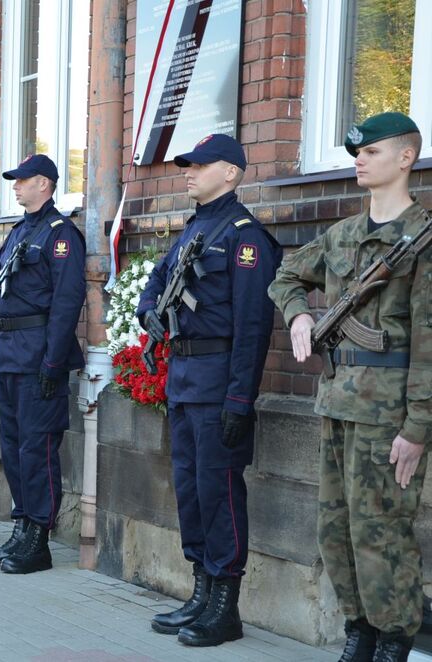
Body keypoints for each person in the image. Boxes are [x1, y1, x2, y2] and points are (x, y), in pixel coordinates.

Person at [269, 112, 429, 661]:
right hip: (337, 404)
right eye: (356, 153)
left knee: (381, 533)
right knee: (334, 530)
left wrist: (418, 427)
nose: (358, 159)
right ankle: (358, 629)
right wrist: (298, 318)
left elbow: (430, 344)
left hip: (388, 417)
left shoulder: (422, 241)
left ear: (406, 158)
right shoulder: (343, 234)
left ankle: (394, 639)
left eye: (372, 151)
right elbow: (286, 275)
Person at [136, 135, 280, 646]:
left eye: (201, 165)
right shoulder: (195, 228)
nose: (189, 173)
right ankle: (200, 590)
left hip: (219, 384)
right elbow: (153, 285)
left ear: (233, 173)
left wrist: (240, 400)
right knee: (191, 493)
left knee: (219, 495)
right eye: (188, 165)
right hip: (184, 380)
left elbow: (253, 328)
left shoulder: (245, 239)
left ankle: (225, 606)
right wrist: (149, 313)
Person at [0, 155, 85, 575]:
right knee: (16, 448)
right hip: (9, 352)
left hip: (39, 352)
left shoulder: (61, 235)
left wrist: (54, 362)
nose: (15, 187)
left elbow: (66, 302)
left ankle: (39, 536)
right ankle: (22, 527)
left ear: (44, 183)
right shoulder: (19, 231)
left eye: (21, 181)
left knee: (37, 450)